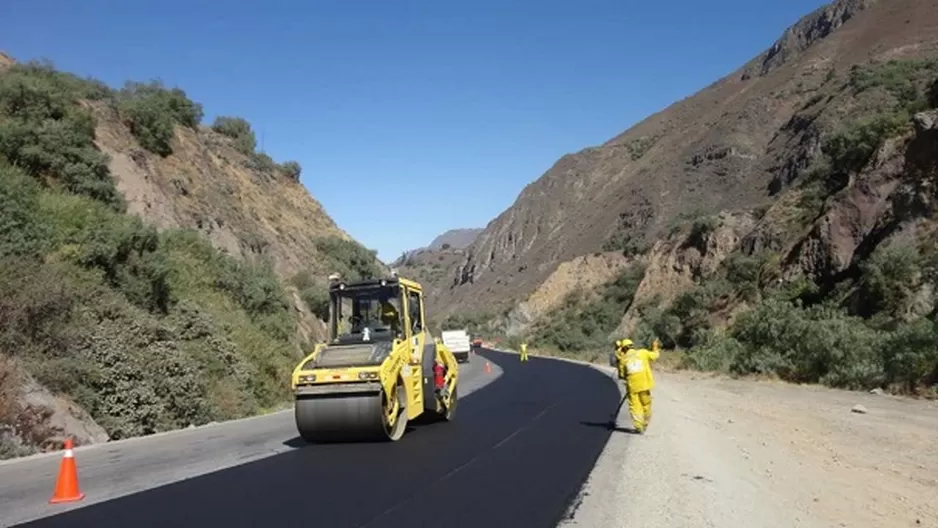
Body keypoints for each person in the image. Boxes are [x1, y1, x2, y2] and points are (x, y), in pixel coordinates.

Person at [614, 338, 660, 434]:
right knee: (646, 404)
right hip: (645, 384)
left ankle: (639, 426)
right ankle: (646, 422)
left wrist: (619, 358)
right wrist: (655, 346)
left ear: (623, 349)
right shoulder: (643, 353)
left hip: (633, 387)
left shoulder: (623, 359)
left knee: (635, 407)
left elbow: (622, 375)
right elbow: (655, 356)